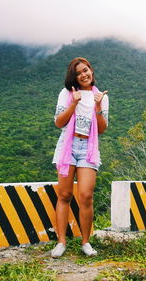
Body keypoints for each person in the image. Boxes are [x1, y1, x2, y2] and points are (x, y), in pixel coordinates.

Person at [51, 57, 109, 258]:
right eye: (79, 73)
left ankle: (86, 242)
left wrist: (99, 107)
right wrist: (73, 104)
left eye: (87, 70)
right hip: (68, 146)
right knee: (65, 195)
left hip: (88, 148)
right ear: (73, 77)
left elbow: (101, 129)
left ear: (91, 71)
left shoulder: (99, 96)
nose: (84, 75)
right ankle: (61, 242)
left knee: (85, 195)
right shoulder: (67, 94)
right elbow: (59, 122)